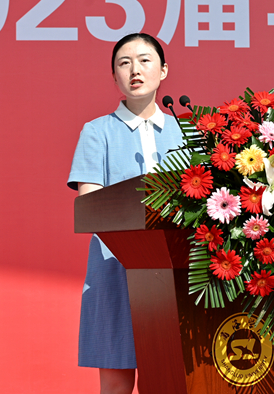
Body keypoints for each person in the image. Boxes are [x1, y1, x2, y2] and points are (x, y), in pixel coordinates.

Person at [67, 33, 183, 394]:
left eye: (145, 60)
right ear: (114, 76)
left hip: (177, 273)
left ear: (164, 70)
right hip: (116, 269)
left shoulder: (187, 133)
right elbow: (91, 206)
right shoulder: (96, 132)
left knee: (171, 382)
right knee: (117, 384)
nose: (135, 70)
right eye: (124, 63)